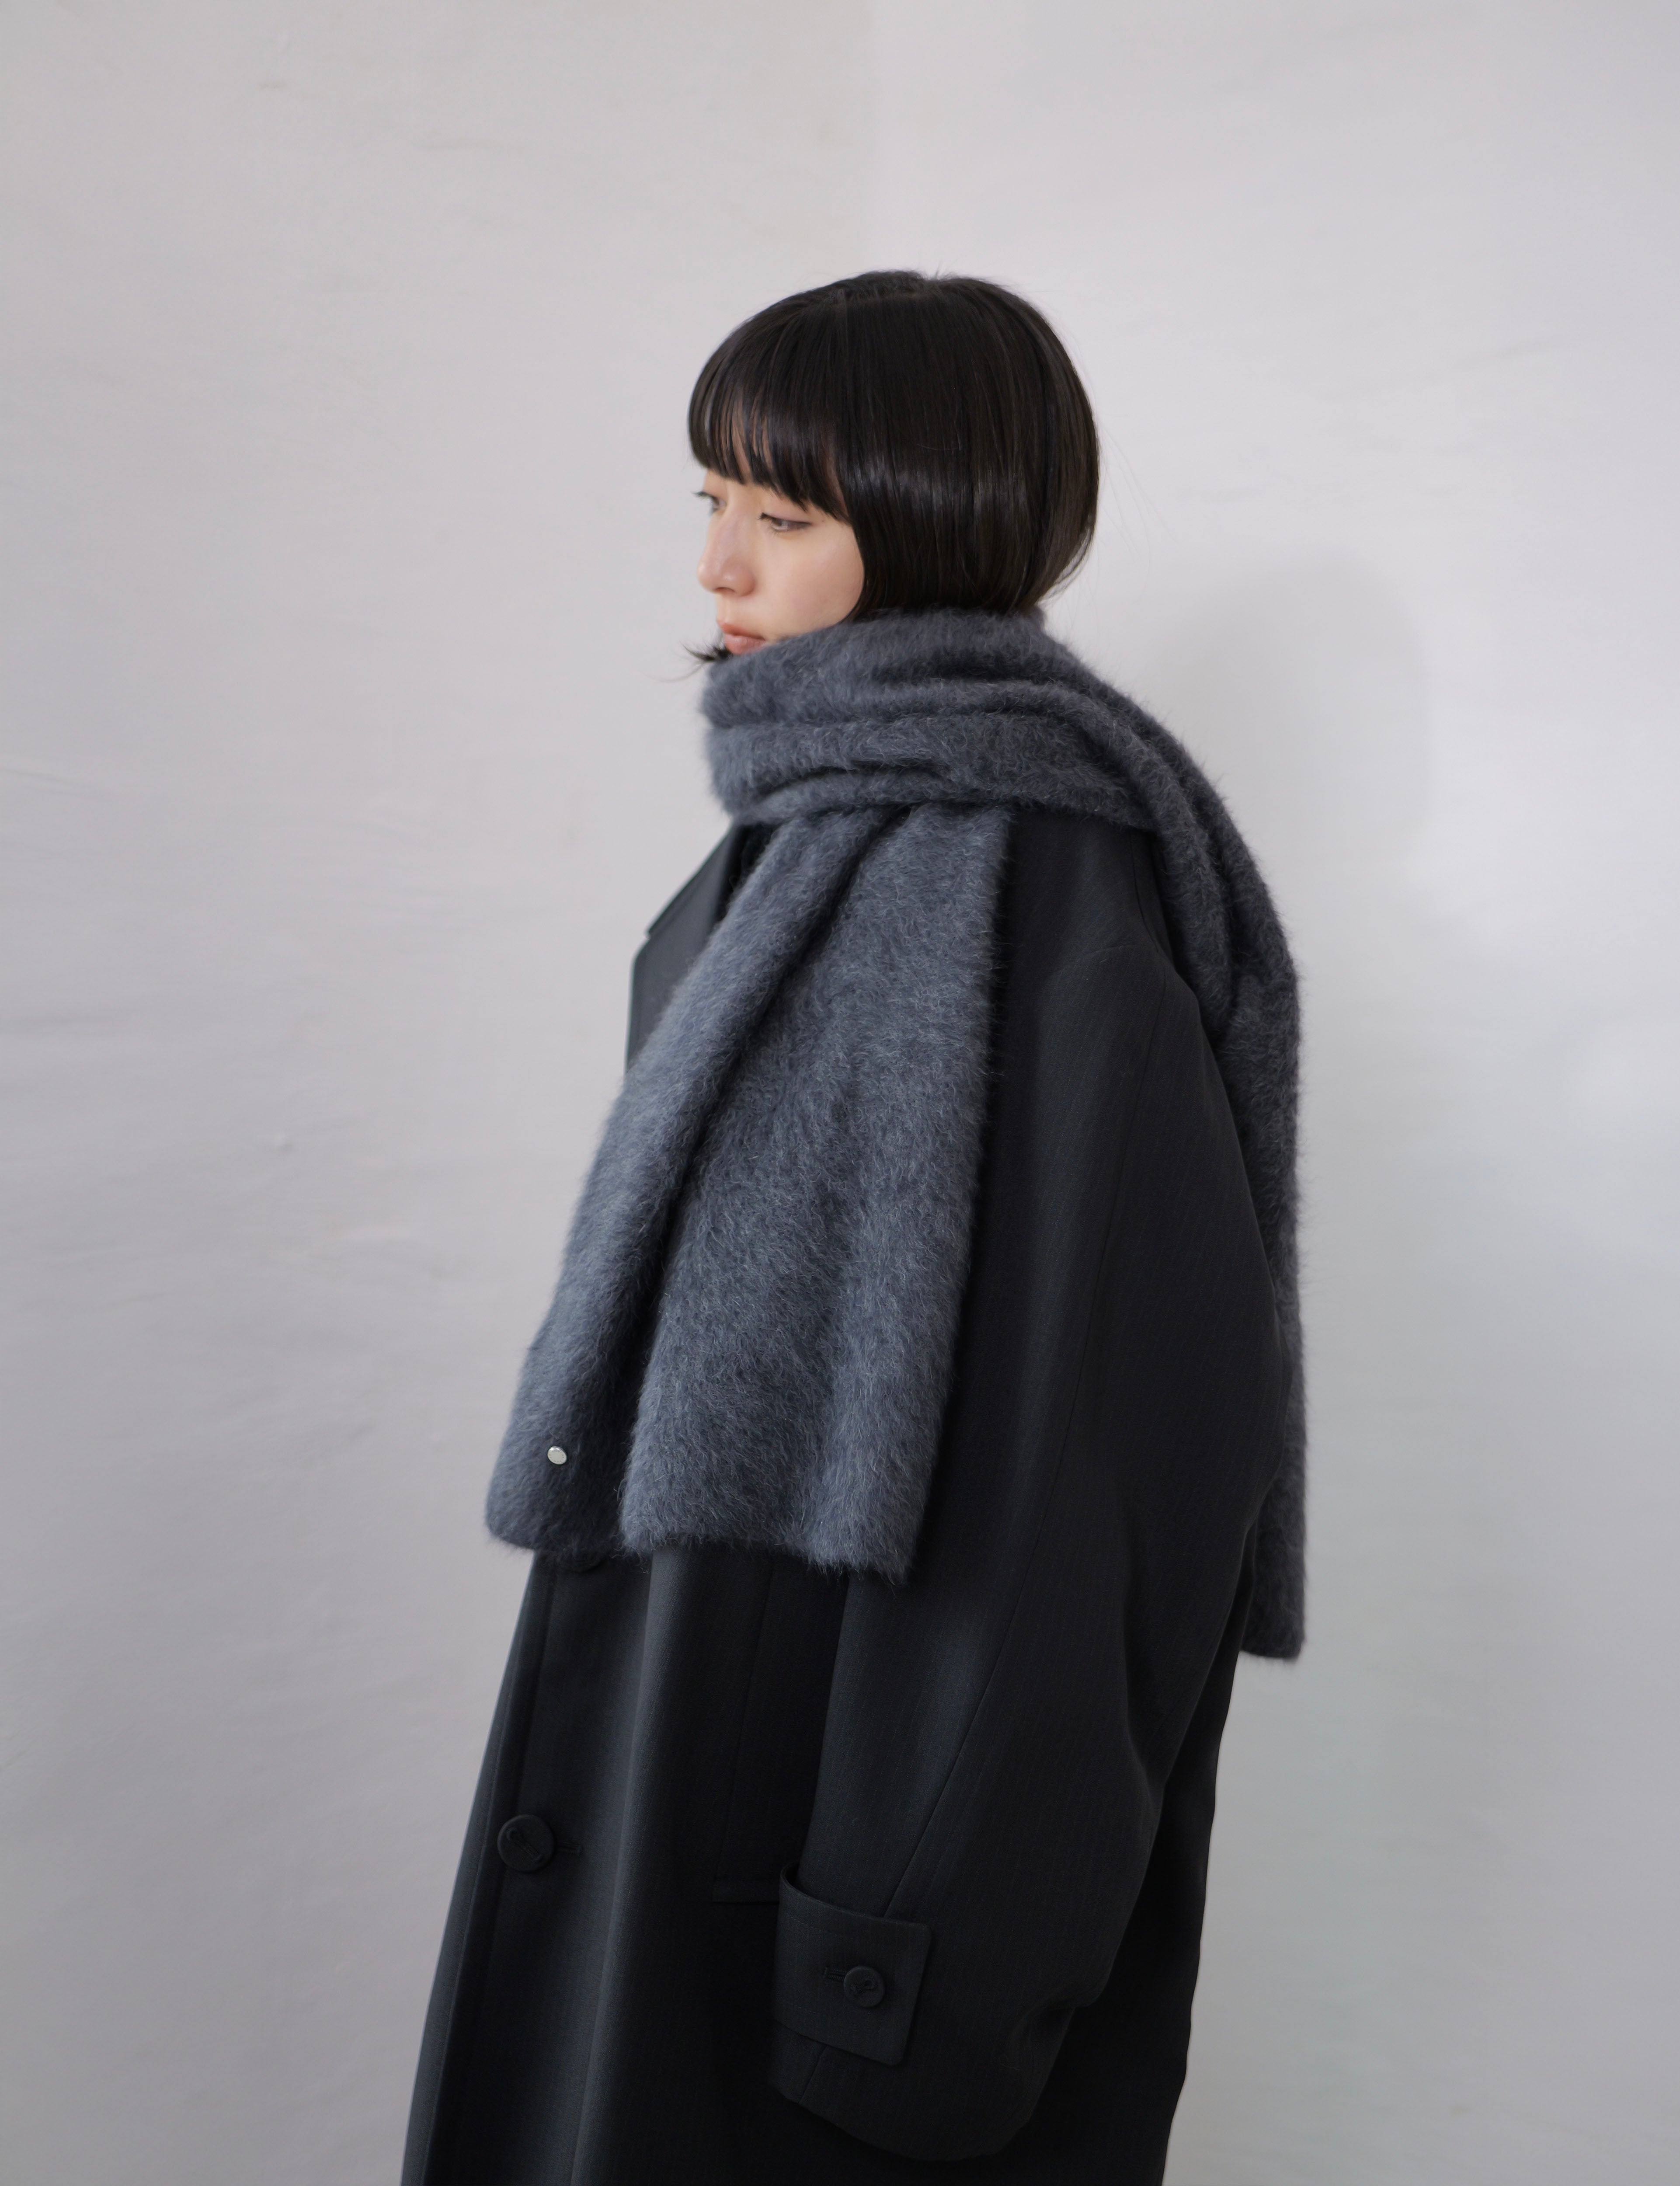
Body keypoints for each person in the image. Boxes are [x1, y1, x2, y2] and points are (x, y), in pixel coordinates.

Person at [401, 270, 1304, 2186]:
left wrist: (903, 1973)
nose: (719, 563)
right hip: (690, 1743)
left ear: (942, 517)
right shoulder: (810, 842)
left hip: (843, 1871)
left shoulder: (1041, 902)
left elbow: (1099, 1492)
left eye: (786, 514)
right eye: (712, 496)